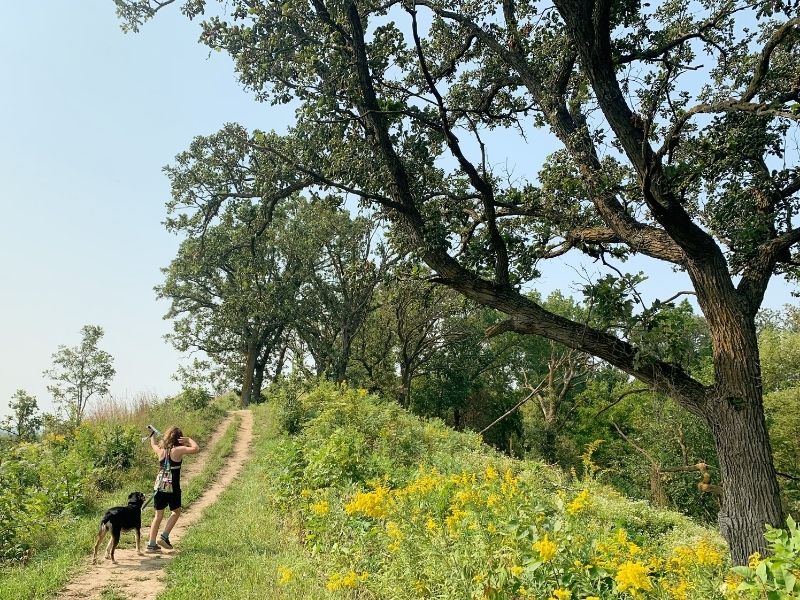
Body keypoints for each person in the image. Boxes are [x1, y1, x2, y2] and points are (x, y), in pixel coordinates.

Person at [145, 426, 200, 551]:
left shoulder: (161, 450)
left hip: (159, 487)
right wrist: (189, 439)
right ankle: (164, 536)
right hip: (172, 487)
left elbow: (153, 445)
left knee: (158, 516)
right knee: (176, 512)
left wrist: (152, 435)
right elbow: (196, 449)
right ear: (178, 438)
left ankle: (151, 544)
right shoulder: (178, 450)